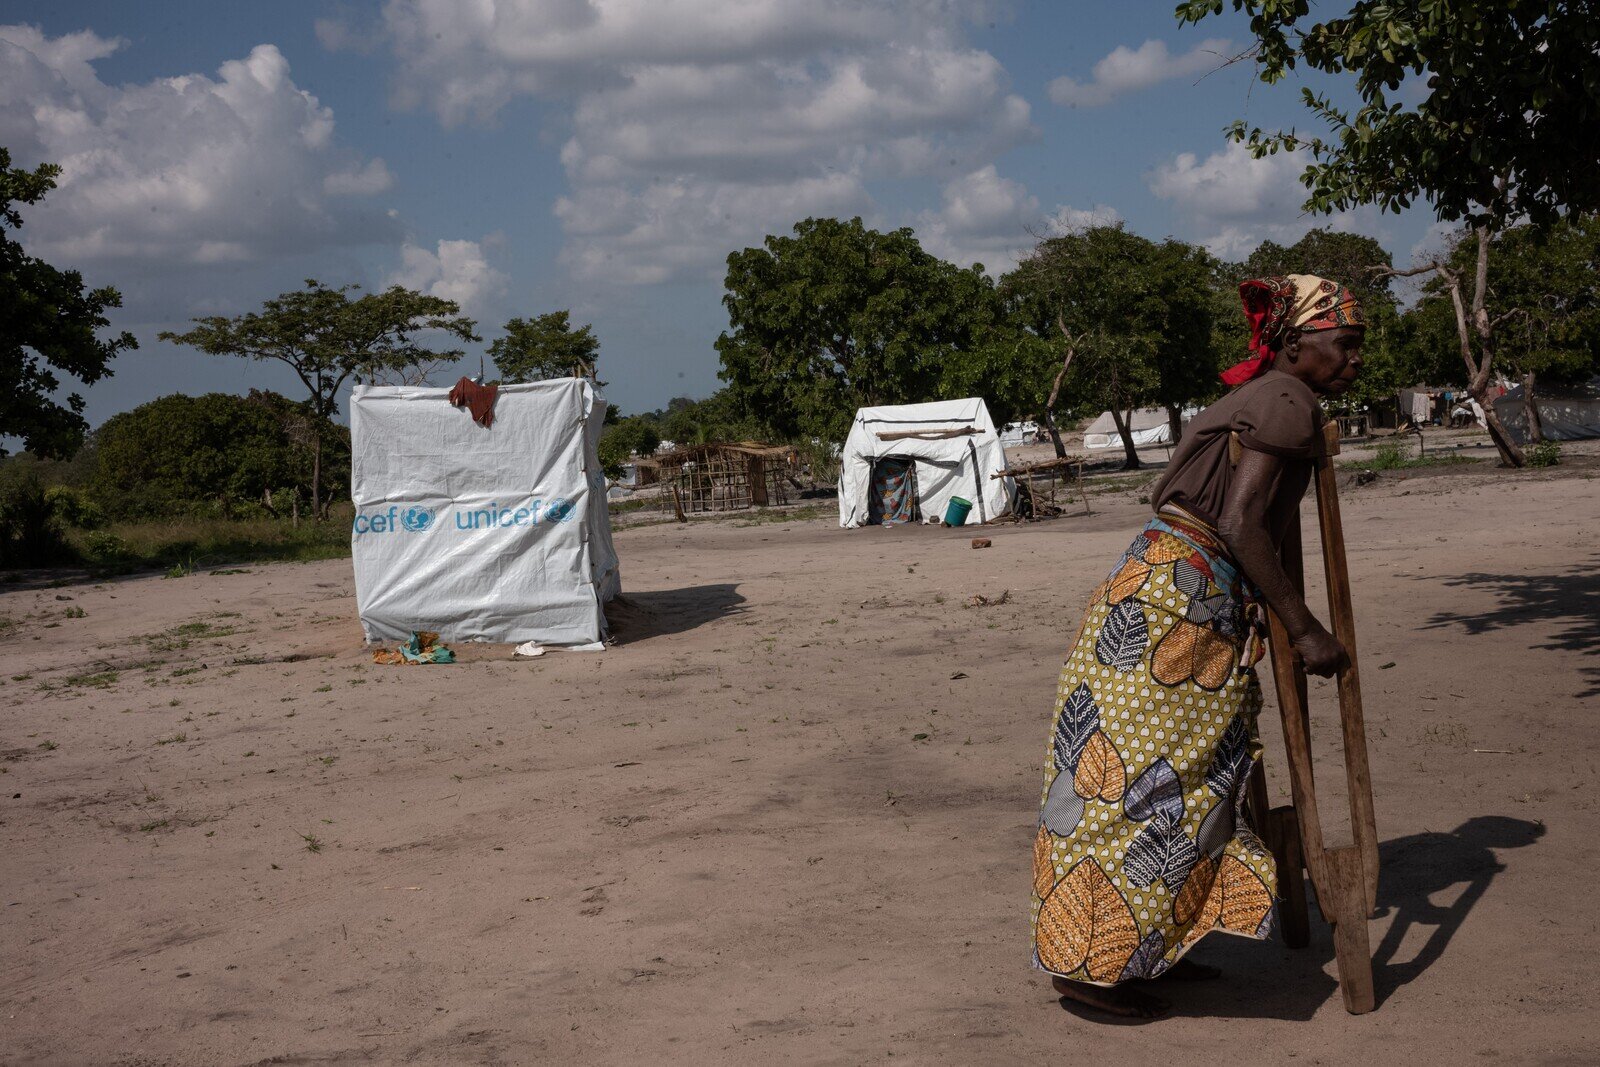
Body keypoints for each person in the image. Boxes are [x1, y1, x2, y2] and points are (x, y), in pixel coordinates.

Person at [1029, 274, 1364, 1019]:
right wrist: (1303, 626)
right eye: (1343, 343)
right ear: (1296, 343)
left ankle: (1143, 949)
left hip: (1163, 594)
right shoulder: (1286, 398)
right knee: (1140, 787)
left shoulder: (1265, 393)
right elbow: (1245, 523)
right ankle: (1089, 968)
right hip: (1174, 606)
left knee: (1173, 785)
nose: (1353, 360)